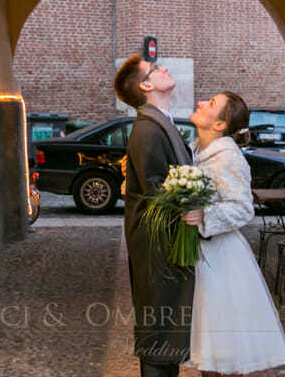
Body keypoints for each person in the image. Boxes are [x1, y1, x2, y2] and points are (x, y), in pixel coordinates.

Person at [181, 92, 285, 376]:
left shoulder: (228, 158)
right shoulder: (192, 152)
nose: (200, 103)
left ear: (220, 125)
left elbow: (243, 208)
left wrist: (205, 216)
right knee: (206, 350)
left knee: (221, 349)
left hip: (221, 261)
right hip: (198, 255)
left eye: (210, 104)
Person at [114, 54, 194, 377]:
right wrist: (193, 206)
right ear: (146, 85)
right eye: (154, 69)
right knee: (159, 330)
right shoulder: (146, 129)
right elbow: (156, 189)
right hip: (157, 245)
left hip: (166, 242)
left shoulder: (159, 121)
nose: (163, 68)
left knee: (167, 327)